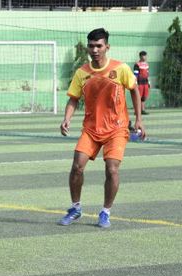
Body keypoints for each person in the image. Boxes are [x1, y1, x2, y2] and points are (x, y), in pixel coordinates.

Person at [58, 28, 144, 229]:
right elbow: (73, 99)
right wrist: (66, 119)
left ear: (107, 47)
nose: (95, 49)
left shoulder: (120, 69)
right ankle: (75, 208)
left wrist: (139, 119)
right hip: (91, 128)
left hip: (117, 129)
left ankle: (105, 212)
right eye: (91, 46)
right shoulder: (82, 73)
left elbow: (134, 91)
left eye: (99, 46)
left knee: (112, 168)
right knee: (77, 166)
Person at [133, 51, 150, 115]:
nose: (145, 57)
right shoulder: (137, 64)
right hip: (139, 83)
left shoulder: (146, 64)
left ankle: (142, 110)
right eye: (143, 55)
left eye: (145, 55)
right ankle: (137, 111)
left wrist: (148, 82)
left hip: (145, 83)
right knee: (138, 97)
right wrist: (136, 83)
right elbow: (135, 74)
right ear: (140, 56)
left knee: (144, 97)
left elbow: (147, 74)